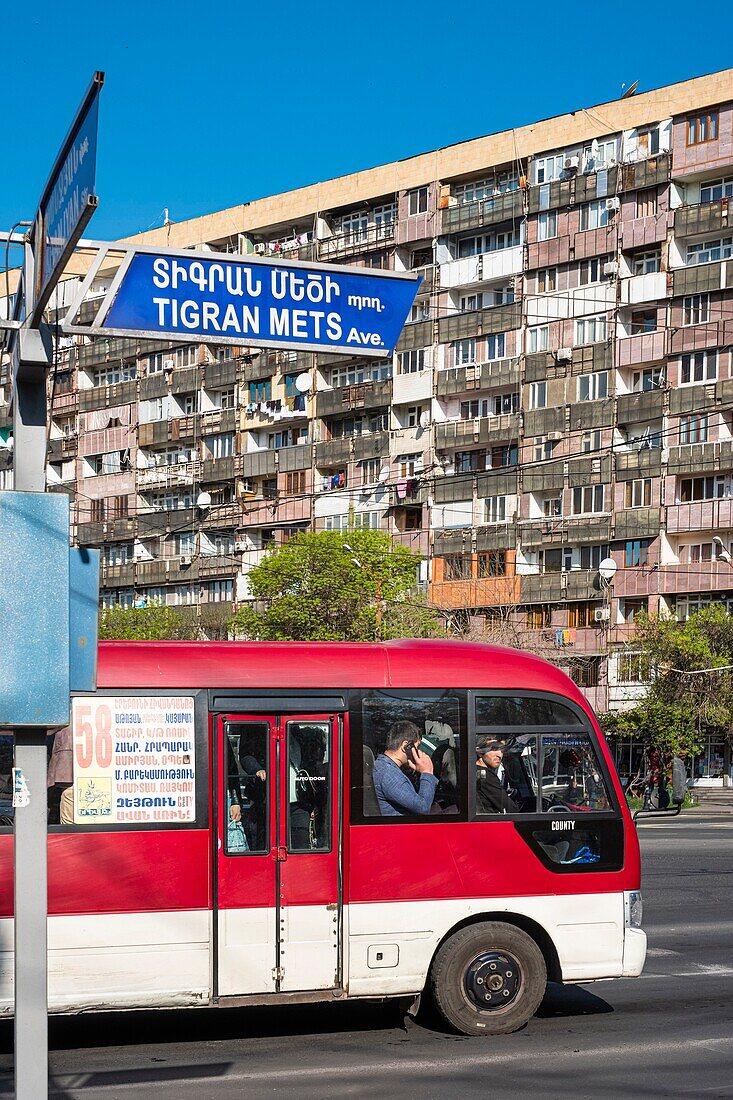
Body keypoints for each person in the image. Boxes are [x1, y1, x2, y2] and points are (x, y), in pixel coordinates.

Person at [372, 720, 438, 816]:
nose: (418, 751)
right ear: (406, 746)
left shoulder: (384, 766)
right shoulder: (389, 774)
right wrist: (427, 773)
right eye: (417, 746)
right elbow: (423, 808)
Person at [475, 737, 518, 814]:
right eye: (494, 749)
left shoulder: (475, 771)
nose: (500, 754)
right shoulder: (485, 776)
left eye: (502, 750)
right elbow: (510, 809)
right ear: (479, 752)